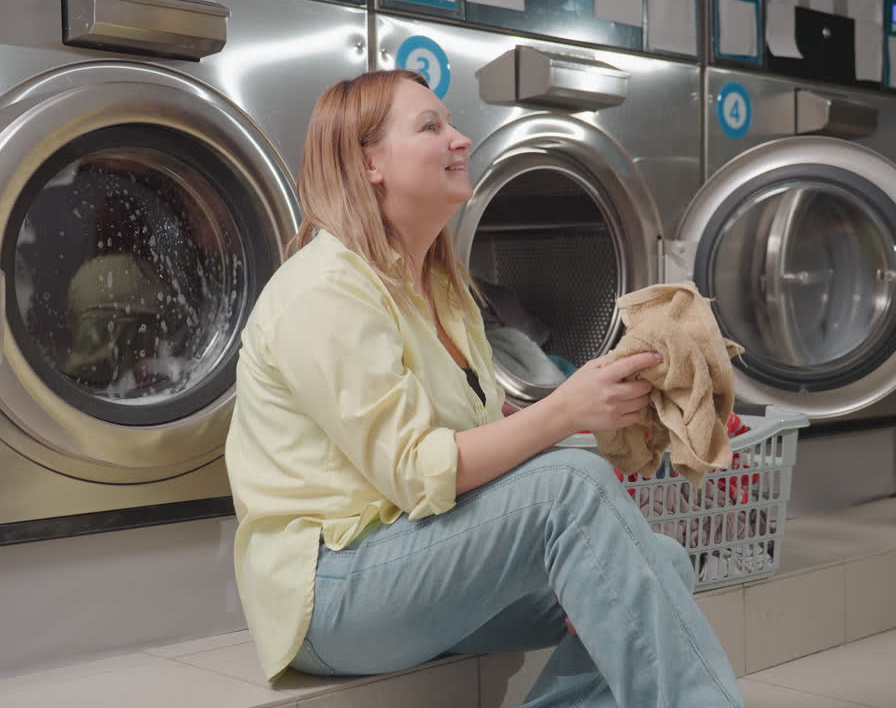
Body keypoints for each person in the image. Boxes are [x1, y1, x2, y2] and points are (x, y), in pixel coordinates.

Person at [224, 70, 744, 707]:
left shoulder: (445, 292)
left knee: (659, 560)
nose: (462, 139)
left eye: (452, 123)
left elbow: (485, 451)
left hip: (422, 568)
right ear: (370, 164)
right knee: (570, 486)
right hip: (334, 592)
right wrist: (561, 412)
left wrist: (612, 412)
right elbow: (419, 472)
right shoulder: (326, 288)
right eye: (431, 126)